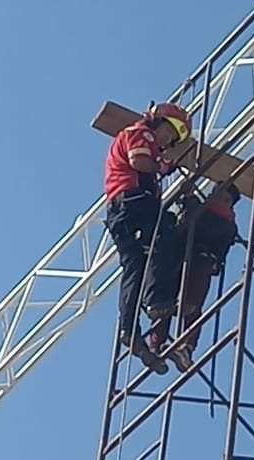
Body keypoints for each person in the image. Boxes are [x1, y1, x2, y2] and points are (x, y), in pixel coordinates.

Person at [102, 102, 193, 374]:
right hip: (133, 202)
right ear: (157, 122)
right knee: (166, 233)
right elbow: (139, 162)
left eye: (173, 137)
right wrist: (162, 166)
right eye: (168, 131)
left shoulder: (144, 138)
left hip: (122, 211)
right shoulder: (141, 134)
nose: (167, 139)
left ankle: (129, 330)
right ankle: (156, 300)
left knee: (135, 268)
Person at [146, 183, 242, 373]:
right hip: (188, 259)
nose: (220, 200)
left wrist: (190, 200)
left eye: (225, 199)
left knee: (187, 304)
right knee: (174, 303)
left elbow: (203, 226)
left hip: (197, 261)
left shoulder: (221, 220)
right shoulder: (219, 219)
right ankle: (167, 345)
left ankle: (174, 346)